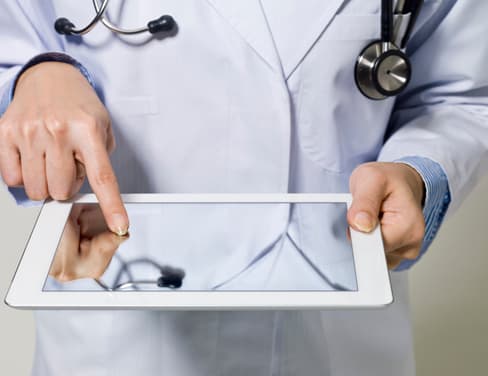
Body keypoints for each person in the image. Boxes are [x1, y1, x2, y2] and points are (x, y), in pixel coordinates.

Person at [0, 1, 487, 375]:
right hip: (118, 336)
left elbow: (457, 94)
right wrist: (35, 75)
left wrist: (421, 173)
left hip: (331, 342)